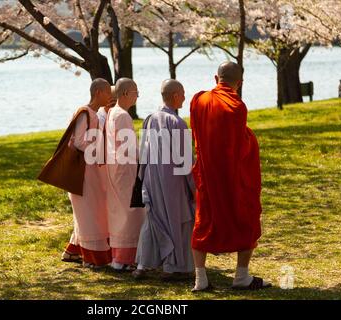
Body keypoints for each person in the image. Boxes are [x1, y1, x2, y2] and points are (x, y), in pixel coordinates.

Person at [190, 61, 271, 291]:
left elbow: (197, 135)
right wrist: (251, 139)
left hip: (207, 175)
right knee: (246, 219)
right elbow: (239, 145)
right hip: (232, 178)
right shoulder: (237, 106)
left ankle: (200, 279)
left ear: (216, 78)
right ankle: (241, 276)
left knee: (203, 222)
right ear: (240, 83)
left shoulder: (198, 100)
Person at [133, 79, 196, 280]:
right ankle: (173, 267)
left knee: (153, 220)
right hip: (173, 183)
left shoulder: (149, 119)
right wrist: (193, 187)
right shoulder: (177, 123)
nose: (185, 97)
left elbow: (143, 153)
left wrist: (142, 179)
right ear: (176, 95)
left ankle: (142, 265)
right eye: (183, 93)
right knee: (178, 222)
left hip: (151, 178)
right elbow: (185, 162)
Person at [61, 78, 113, 269]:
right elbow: (78, 142)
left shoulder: (94, 114)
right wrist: (100, 149)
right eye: (108, 93)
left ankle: (72, 251)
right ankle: (92, 258)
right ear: (98, 92)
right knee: (90, 213)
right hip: (82, 171)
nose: (110, 97)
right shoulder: (84, 113)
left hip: (91, 170)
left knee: (88, 211)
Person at [105, 77, 145, 271]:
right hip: (125, 169)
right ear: (126, 93)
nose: (138, 96)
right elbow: (129, 148)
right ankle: (124, 259)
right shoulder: (122, 115)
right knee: (131, 213)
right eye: (136, 92)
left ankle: (119, 257)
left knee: (119, 212)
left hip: (115, 168)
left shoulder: (112, 112)